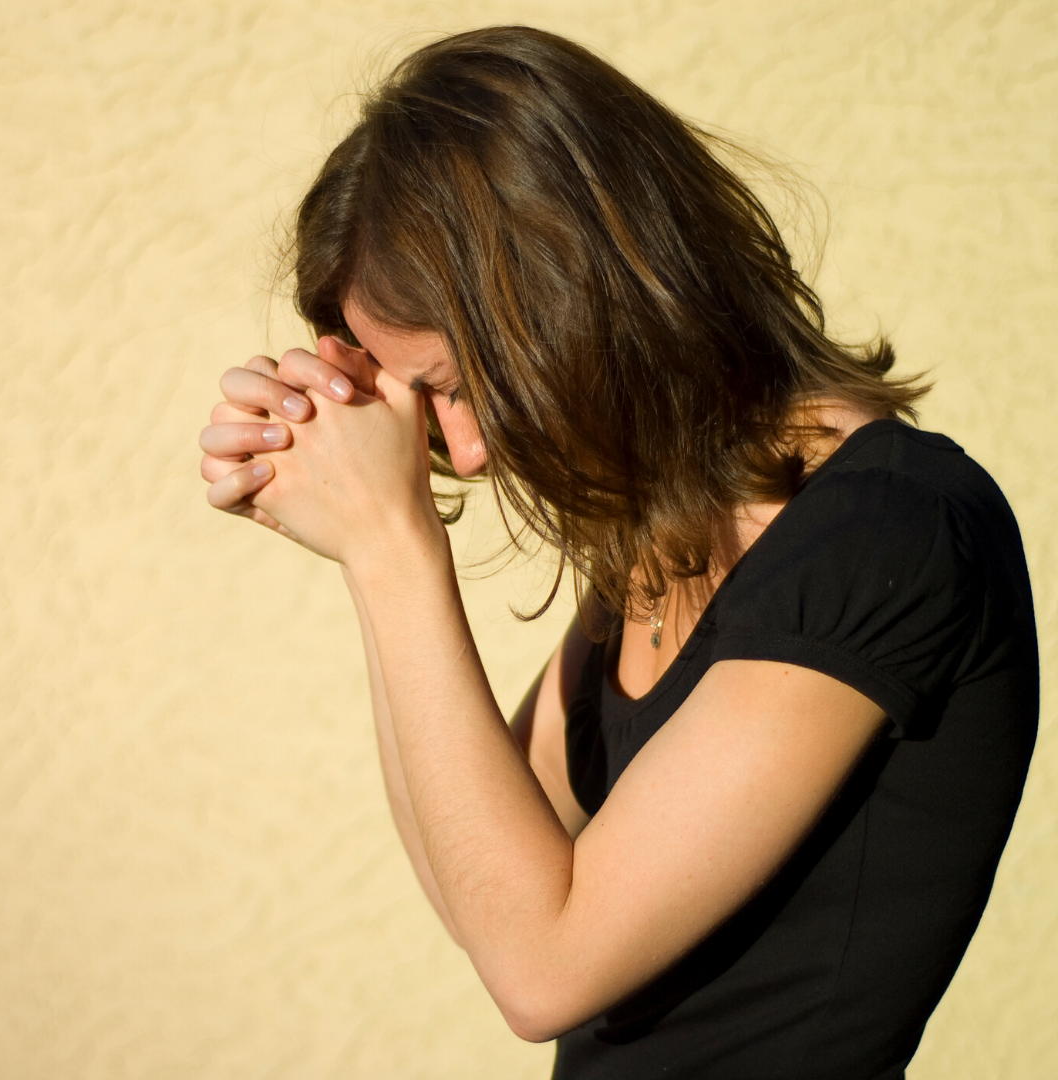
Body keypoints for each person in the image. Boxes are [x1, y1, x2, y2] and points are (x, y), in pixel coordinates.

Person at [198, 26, 1037, 1080]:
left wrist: (390, 546)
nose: (464, 452)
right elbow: (480, 888)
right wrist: (368, 539)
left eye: (454, 387)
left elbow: (541, 966)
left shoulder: (890, 531)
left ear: (571, 291)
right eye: (421, 408)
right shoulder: (672, 536)